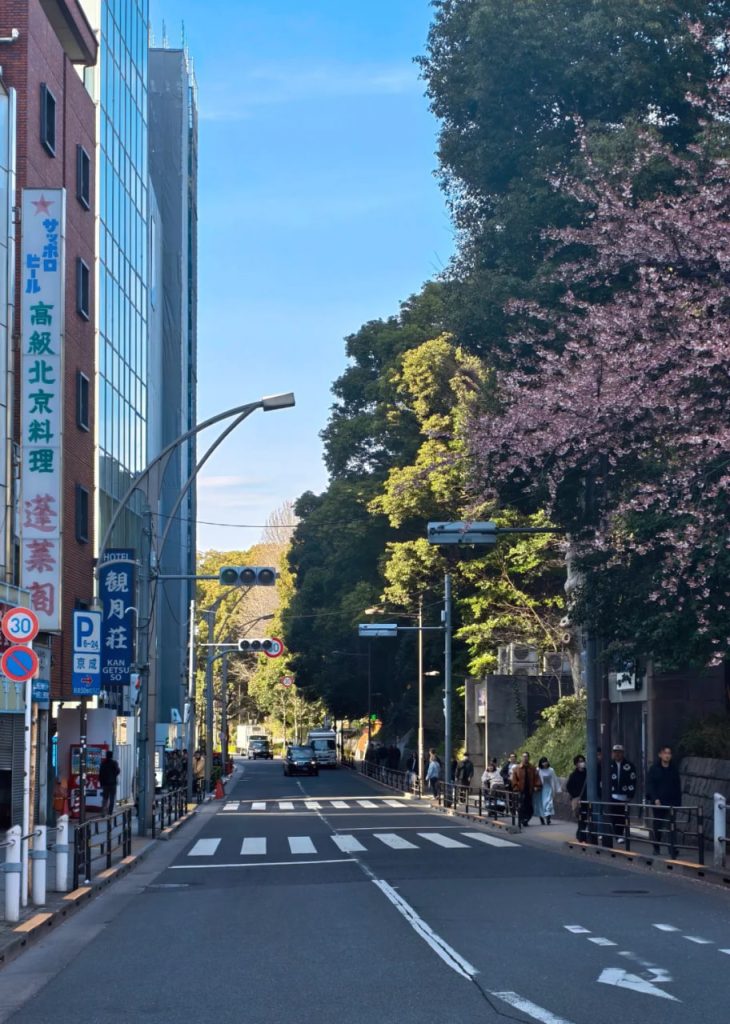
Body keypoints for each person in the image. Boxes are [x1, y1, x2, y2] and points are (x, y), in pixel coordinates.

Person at [645, 744, 682, 858]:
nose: (667, 755)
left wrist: (678, 802)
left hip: (671, 801)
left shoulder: (674, 769)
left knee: (671, 825)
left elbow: (677, 786)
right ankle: (656, 846)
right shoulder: (654, 769)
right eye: (665, 753)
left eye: (669, 753)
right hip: (658, 802)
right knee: (658, 825)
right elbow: (650, 785)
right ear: (660, 755)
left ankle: (672, 848)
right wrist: (655, 798)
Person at [605, 743, 637, 847]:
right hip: (612, 795)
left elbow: (633, 780)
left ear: (623, 753)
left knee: (623, 816)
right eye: (615, 752)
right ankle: (618, 834)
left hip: (624, 795)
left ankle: (620, 833)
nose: (617, 754)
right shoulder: (609, 765)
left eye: (619, 752)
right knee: (614, 815)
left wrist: (631, 794)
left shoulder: (629, 766)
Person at [510, 751, 542, 827]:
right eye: (524, 757)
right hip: (521, 790)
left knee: (530, 807)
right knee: (521, 806)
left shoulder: (532, 768)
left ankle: (526, 819)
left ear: (528, 757)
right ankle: (522, 819)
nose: (525, 758)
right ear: (522, 758)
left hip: (529, 790)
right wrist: (516, 787)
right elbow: (514, 779)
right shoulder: (517, 768)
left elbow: (536, 778)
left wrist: (537, 786)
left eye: (526, 756)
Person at [565, 755, 588, 841]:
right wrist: (576, 795)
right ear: (576, 764)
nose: (582, 763)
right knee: (581, 818)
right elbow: (569, 787)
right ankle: (581, 835)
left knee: (587, 818)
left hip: (587, 799)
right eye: (580, 761)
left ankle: (581, 834)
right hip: (579, 800)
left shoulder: (588, 773)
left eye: (583, 761)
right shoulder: (573, 775)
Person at [535, 756, 561, 824]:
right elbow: (534, 779)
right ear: (541, 763)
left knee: (549, 802)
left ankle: (548, 818)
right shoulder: (538, 770)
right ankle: (541, 818)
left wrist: (558, 788)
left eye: (545, 762)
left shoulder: (551, 770)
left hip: (548, 788)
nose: (545, 763)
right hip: (540, 789)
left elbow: (555, 779)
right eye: (543, 762)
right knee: (541, 804)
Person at [99, 750, 120, 815]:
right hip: (113, 784)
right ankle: (110, 813)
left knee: (105, 798)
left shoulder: (103, 763)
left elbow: (100, 774)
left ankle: (103, 812)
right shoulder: (114, 763)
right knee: (112, 798)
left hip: (105, 784)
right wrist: (114, 775)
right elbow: (117, 771)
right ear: (111, 756)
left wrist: (101, 783)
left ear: (106, 756)